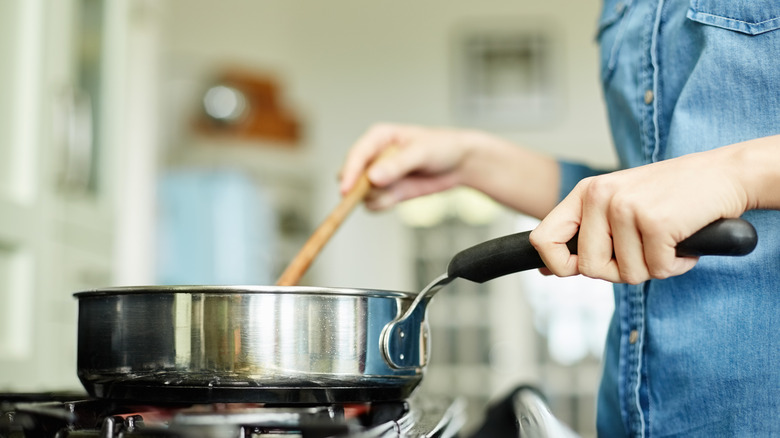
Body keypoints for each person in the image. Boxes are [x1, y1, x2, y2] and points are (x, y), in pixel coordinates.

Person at [338, 0, 780, 436]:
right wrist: (468, 161)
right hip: (634, 416)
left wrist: (740, 174)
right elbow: (640, 199)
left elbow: (704, 183)